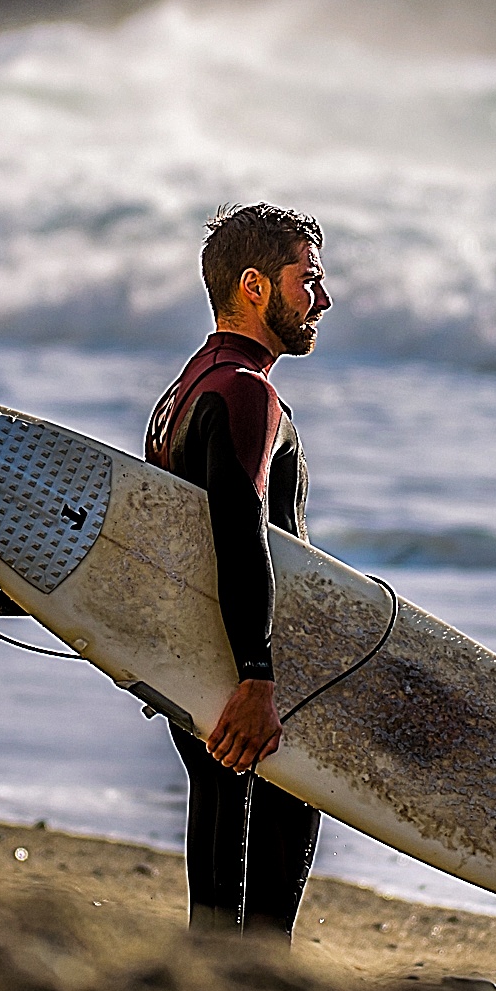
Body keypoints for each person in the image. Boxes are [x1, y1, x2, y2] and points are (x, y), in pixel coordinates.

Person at [144, 203, 333, 938]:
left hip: (203, 671)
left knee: (219, 893)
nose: (321, 299)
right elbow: (237, 531)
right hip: (243, 687)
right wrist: (257, 677)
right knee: (255, 924)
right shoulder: (247, 392)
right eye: (308, 280)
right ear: (254, 286)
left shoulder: (187, 387)